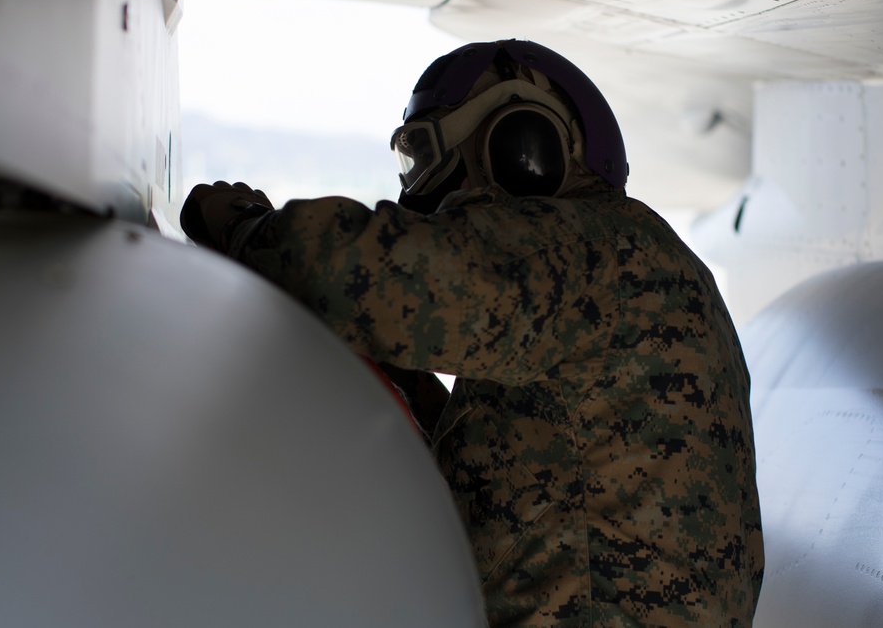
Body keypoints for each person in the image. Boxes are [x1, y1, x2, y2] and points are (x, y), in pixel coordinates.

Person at [180, 39, 764, 627]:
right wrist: (396, 368)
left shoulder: (578, 248)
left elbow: (365, 273)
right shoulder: (634, 262)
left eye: (430, 154)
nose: (424, 191)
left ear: (520, 144)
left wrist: (245, 229)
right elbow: (515, 460)